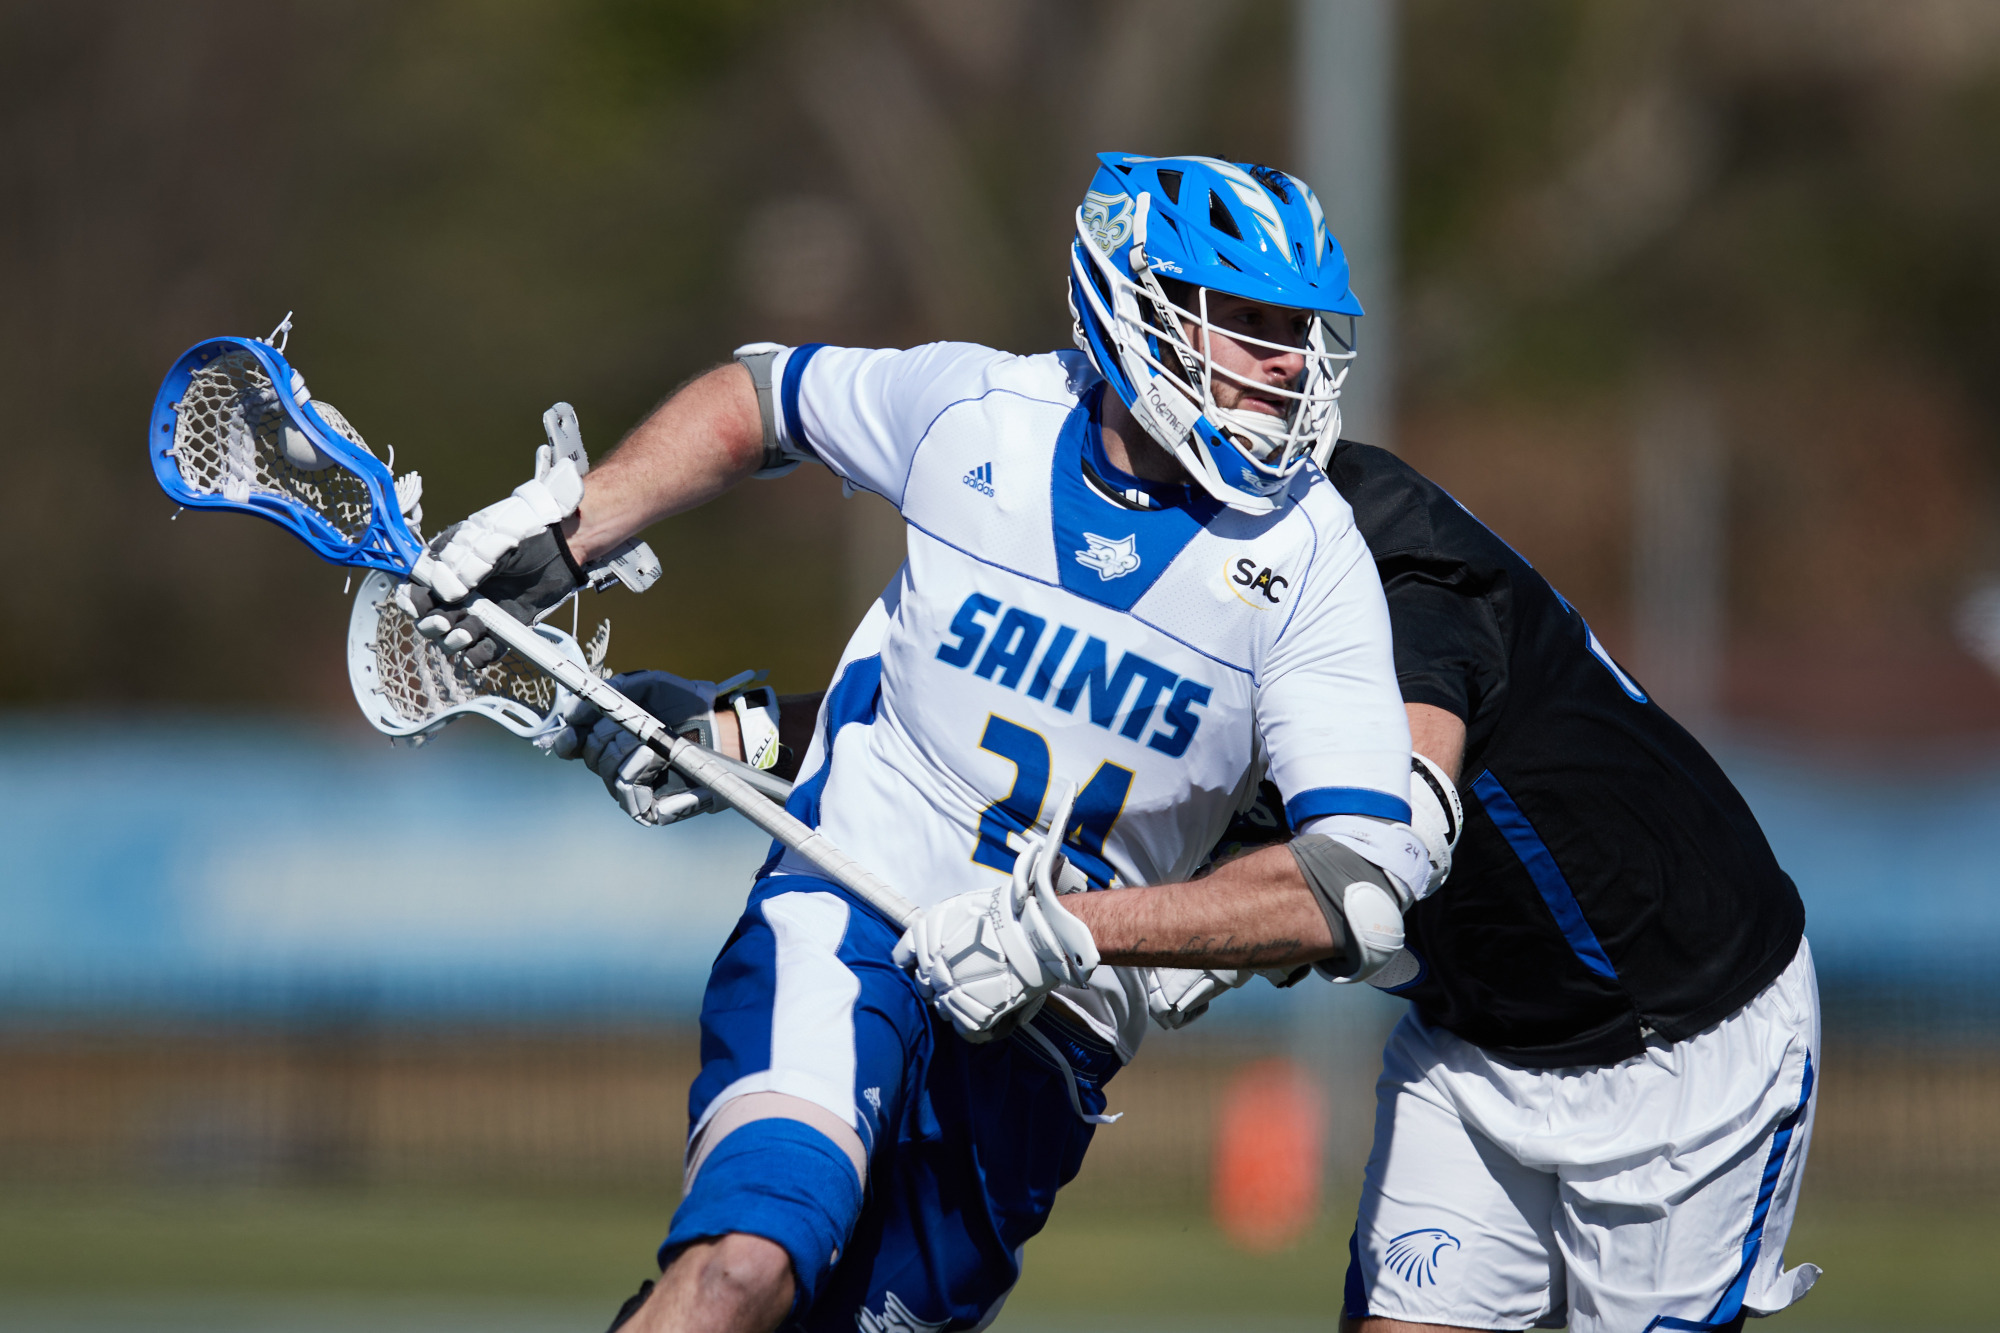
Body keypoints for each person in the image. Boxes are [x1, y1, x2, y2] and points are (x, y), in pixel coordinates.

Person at [404, 152, 1437, 1333]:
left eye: (1299, 332)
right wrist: (580, 525)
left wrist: (1070, 932)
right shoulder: (974, 410)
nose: (1287, 363)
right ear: (1133, 305)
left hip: (1050, 1030)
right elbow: (760, 396)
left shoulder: (1310, 558)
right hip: (852, 910)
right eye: (1248, 323)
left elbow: (1354, 885)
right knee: (746, 1264)